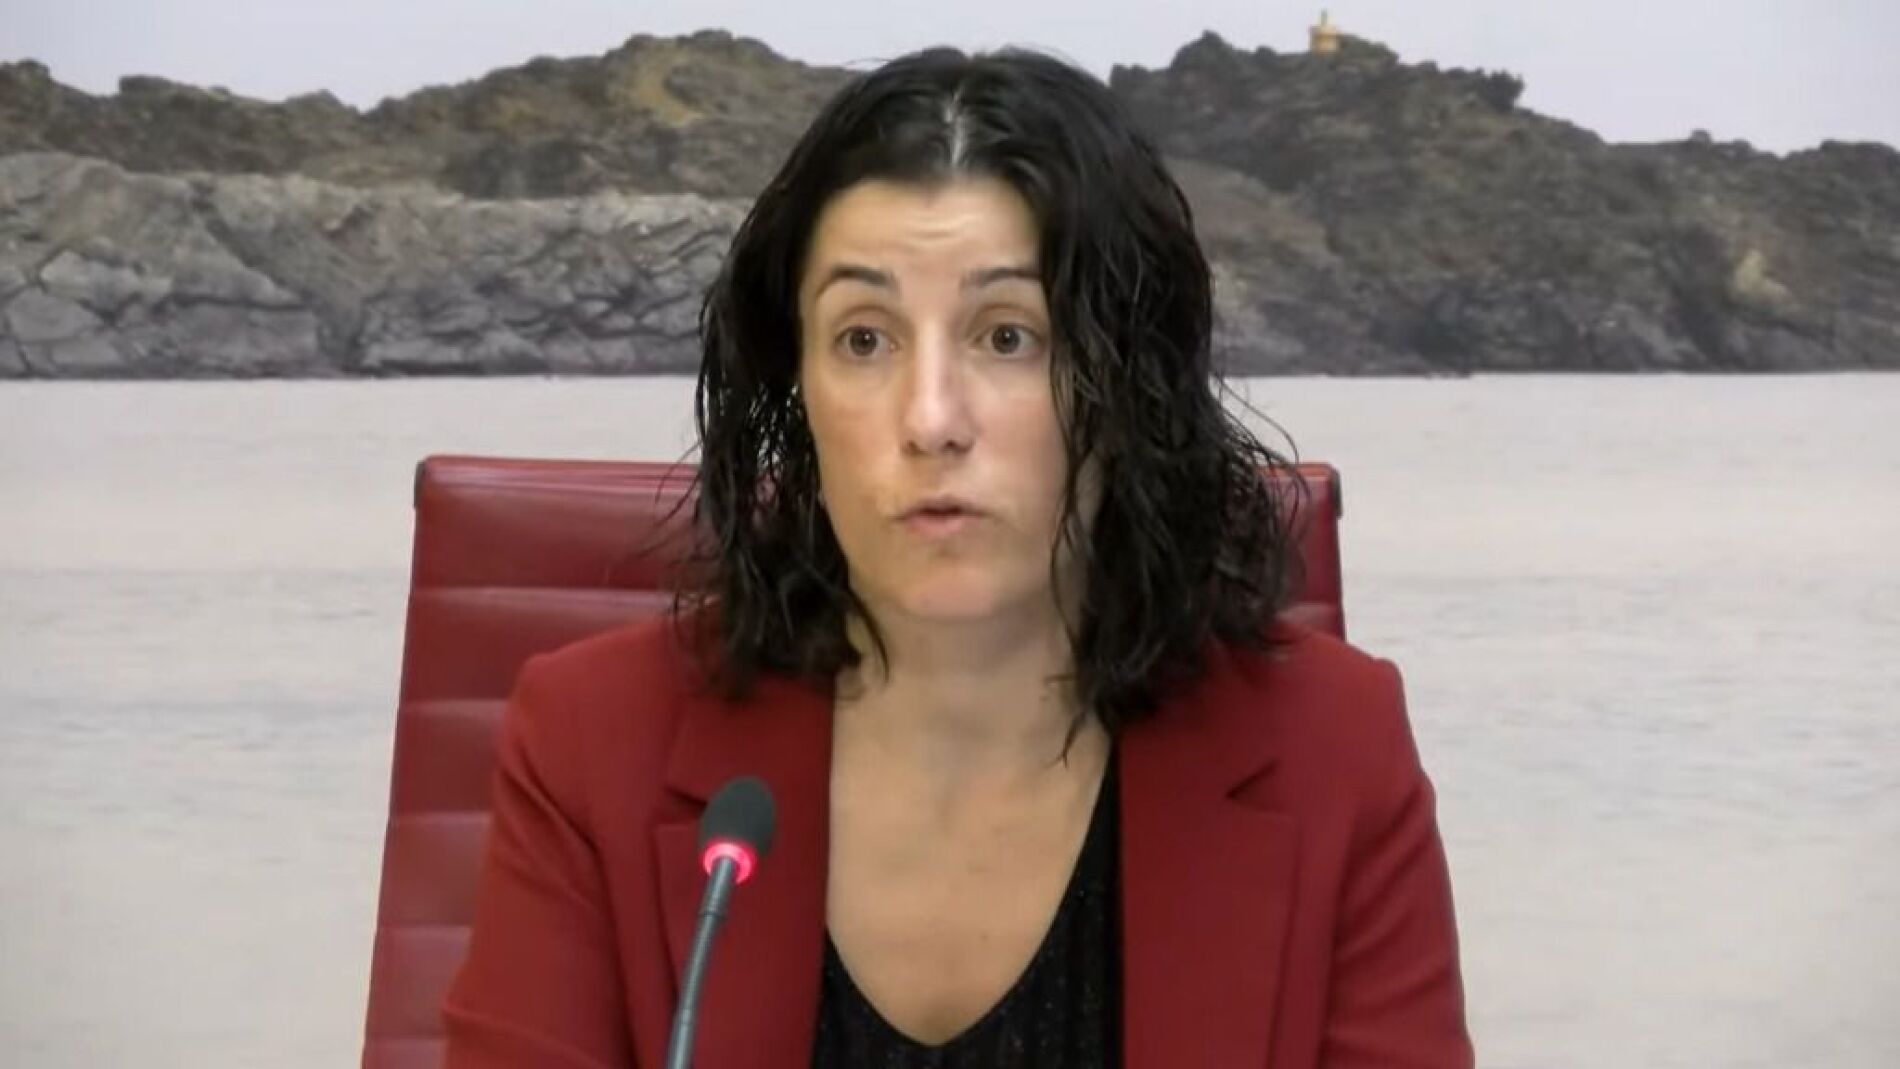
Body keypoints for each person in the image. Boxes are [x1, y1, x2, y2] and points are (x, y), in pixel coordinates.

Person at [443, 45, 1473, 1068]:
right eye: (863, 339)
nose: (931, 419)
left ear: (1130, 390)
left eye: (1007, 336)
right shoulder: (590, 746)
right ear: (796, 396)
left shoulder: (1335, 751)